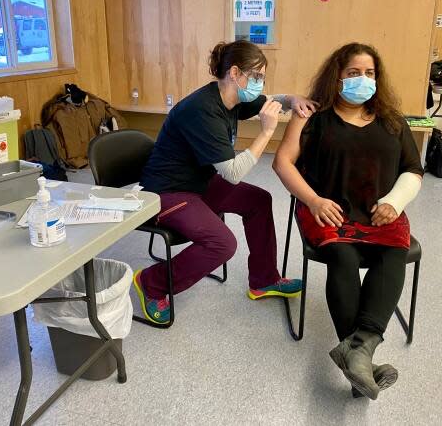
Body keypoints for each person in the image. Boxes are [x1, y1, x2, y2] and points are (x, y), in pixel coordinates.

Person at [273, 43, 423, 400]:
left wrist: (394, 201)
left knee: (392, 253)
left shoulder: (391, 119)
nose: (363, 79)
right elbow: (283, 163)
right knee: (343, 257)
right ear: (337, 76)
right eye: (354, 72)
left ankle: (357, 354)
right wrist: (312, 200)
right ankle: (363, 362)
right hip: (328, 208)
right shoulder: (311, 115)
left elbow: (413, 170)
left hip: (379, 211)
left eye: (370, 73)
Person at [134, 40, 319, 324]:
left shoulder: (233, 98)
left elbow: (271, 101)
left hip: (200, 183)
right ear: (235, 73)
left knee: (258, 200)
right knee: (222, 244)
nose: (260, 83)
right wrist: (266, 132)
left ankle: (264, 279)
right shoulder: (202, 110)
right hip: (166, 193)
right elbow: (233, 172)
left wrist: (292, 99)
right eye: (256, 76)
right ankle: (152, 283)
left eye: (262, 78)